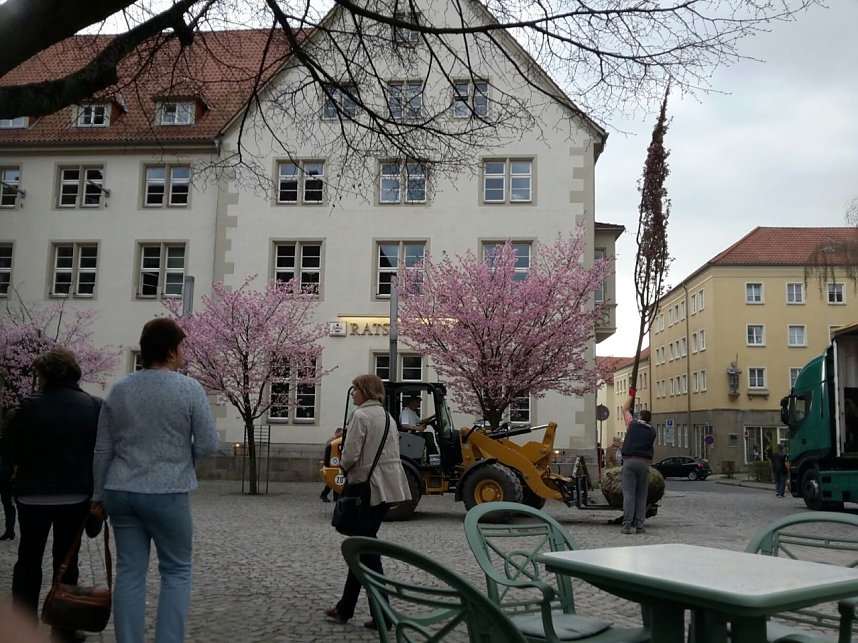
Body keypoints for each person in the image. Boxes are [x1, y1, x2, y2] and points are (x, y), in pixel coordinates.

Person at [91, 318, 219, 643]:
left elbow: (103, 448)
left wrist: (98, 495)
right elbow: (207, 444)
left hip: (120, 490)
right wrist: (178, 454)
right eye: (182, 347)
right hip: (167, 490)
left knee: (129, 573)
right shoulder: (189, 389)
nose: (184, 354)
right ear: (171, 351)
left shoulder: (119, 389)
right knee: (176, 570)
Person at [0, 348, 101, 643]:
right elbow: (99, 453)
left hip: (33, 495)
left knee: (28, 561)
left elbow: (8, 448)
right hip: (75, 495)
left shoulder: (26, 406)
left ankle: (23, 624)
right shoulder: (93, 406)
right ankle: (64, 627)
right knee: (66, 562)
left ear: (43, 374)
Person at [325, 374, 410, 629]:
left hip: (365, 488)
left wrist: (344, 470)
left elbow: (349, 455)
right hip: (385, 488)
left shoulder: (361, 416)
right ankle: (345, 608)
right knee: (363, 548)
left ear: (365, 391)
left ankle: (382, 613)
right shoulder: (388, 417)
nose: (353, 394)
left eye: (355, 389)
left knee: (368, 552)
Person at [620, 388, 656, 535]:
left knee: (629, 494)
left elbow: (625, 409)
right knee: (642, 495)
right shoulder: (652, 431)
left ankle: (627, 524)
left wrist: (631, 395)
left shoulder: (632, 424)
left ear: (640, 416)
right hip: (645, 463)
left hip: (630, 461)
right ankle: (640, 524)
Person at [399, 393, 439, 464]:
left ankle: (431, 459)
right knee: (428, 436)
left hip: (412, 436)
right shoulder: (405, 412)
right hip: (408, 437)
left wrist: (432, 417)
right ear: (411, 402)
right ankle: (434, 460)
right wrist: (417, 428)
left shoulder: (412, 413)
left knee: (429, 434)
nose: (418, 404)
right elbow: (404, 425)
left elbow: (420, 421)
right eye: (417, 402)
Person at [320, 427, 343, 502]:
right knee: (332, 481)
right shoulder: (332, 441)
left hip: (334, 463)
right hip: (331, 463)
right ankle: (324, 494)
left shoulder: (335, 441)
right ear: (337, 433)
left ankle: (335, 496)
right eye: (341, 434)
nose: (341, 436)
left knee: (335, 480)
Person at [0, 450, 14, 541]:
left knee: (8, 505)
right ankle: (10, 531)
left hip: (6, 478)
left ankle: (10, 531)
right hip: (6, 477)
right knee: (8, 505)